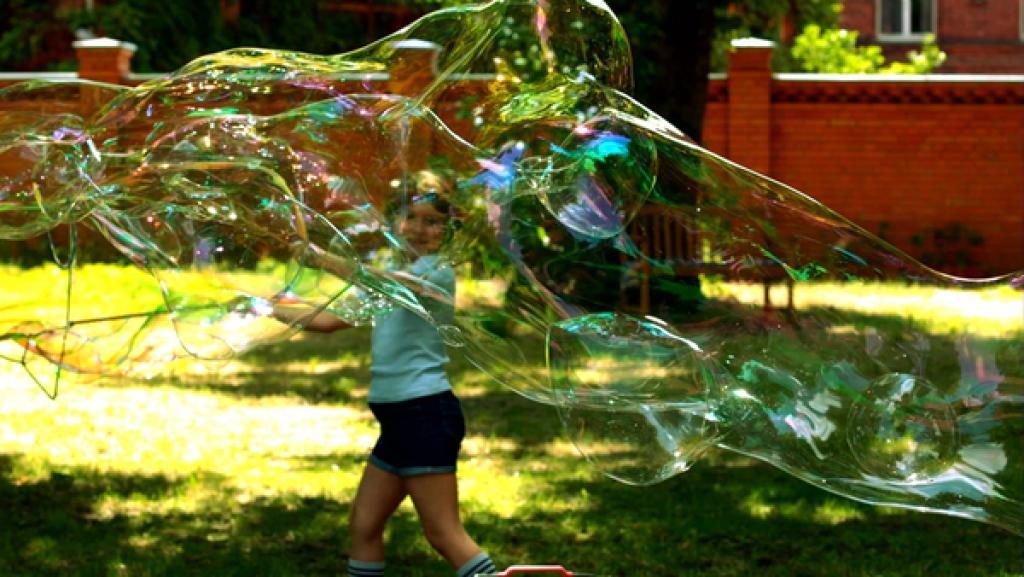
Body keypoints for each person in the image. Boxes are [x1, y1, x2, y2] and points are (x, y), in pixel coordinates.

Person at [268, 170, 497, 577]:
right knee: (365, 526)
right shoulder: (389, 277)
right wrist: (272, 306)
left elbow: (383, 283)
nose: (420, 229)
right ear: (395, 223)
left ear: (447, 231)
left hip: (423, 414)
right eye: (411, 218)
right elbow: (327, 320)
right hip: (398, 420)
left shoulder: (434, 273)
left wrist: (318, 257)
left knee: (444, 533)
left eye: (433, 221)